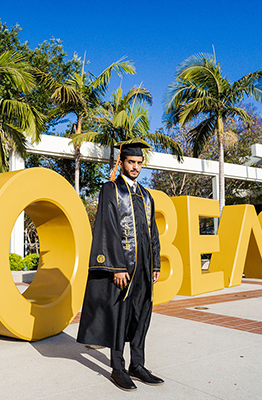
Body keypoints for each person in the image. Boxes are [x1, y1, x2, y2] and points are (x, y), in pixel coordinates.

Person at [77, 141, 164, 391]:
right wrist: (116, 266)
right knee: (120, 317)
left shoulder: (146, 195)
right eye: (130, 162)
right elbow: (107, 227)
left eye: (138, 163)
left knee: (141, 316)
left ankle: (138, 365)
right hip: (124, 268)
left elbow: (153, 232)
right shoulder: (111, 190)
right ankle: (118, 368)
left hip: (144, 269)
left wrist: (155, 262)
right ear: (122, 162)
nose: (135, 167)